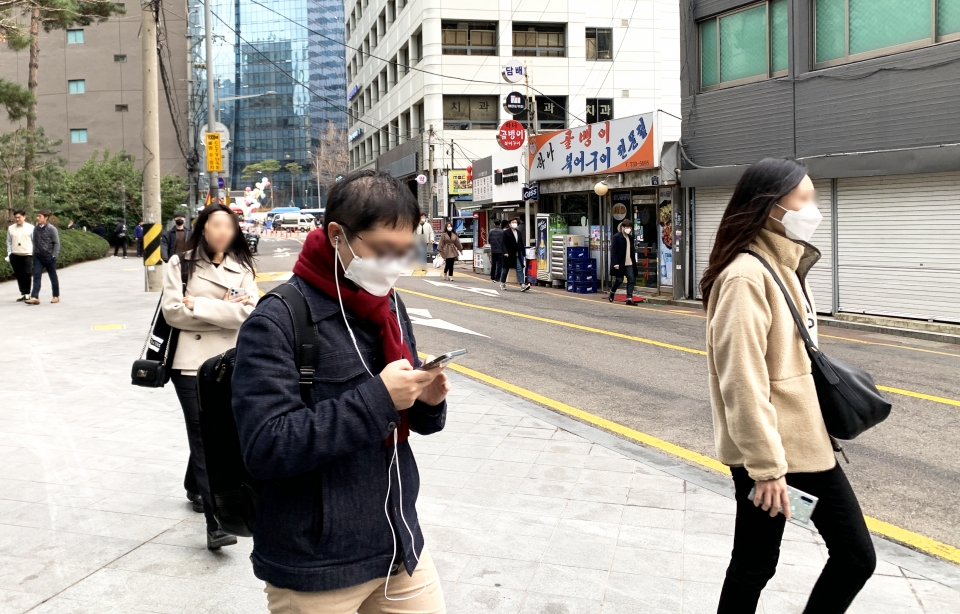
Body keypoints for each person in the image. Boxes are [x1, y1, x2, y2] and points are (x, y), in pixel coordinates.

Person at [232, 170, 449, 614]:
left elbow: (405, 415)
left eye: (405, 250)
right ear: (337, 236)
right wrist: (379, 397)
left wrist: (427, 401)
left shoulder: (388, 304)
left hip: (399, 541)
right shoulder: (278, 320)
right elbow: (267, 445)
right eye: (383, 251)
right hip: (317, 564)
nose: (395, 264)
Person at [701, 158, 875, 614]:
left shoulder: (782, 266)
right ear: (771, 207)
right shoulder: (745, 276)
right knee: (851, 556)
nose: (813, 208)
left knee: (757, 562)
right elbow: (741, 379)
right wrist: (766, 468)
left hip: (797, 444)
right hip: (778, 453)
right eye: (804, 198)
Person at [160, 203, 258, 550]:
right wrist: (226, 309)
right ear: (204, 228)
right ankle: (215, 521)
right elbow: (173, 313)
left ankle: (193, 484)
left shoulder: (242, 266)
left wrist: (197, 305)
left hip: (230, 362)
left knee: (222, 430)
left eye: (229, 226)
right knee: (203, 436)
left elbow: (250, 314)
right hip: (189, 363)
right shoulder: (181, 263)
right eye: (216, 225)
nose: (222, 232)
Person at [25, 211, 60, 305]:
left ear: (46, 217)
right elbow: (34, 241)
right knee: (36, 276)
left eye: (40, 216)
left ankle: (55, 296)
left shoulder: (51, 229)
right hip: (38, 257)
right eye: (37, 216)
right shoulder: (36, 229)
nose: (38, 218)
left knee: (53, 277)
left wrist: (53, 255)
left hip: (49, 257)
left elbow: (56, 243)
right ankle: (35, 297)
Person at [609, 219, 639, 305]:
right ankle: (612, 291)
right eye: (627, 227)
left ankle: (629, 298)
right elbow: (613, 251)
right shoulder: (616, 237)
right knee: (619, 280)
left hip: (629, 263)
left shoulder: (631, 238)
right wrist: (615, 263)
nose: (628, 229)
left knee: (631, 280)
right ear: (622, 227)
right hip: (620, 263)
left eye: (630, 227)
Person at [6, 210, 34, 301]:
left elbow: (34, 241)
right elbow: (9, 242)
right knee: (19, 274)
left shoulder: (31, 228)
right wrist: (9, 253)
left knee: (27, 273)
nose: (17, 219)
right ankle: (23, 292)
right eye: (16, 218)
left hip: (27, 254)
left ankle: (27, 293)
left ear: (24, 217)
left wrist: (34, 252)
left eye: (19, 217)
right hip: (15, 254)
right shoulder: (11, 228)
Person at [500, 218, 531, 292]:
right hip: (508, 254)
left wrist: (523, 252)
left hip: (516, 254)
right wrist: (505, 252)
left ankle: (522, 285)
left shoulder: (519, 232)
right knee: (505, 269)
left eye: (516, 222)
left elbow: (521, 243)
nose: (515, 224)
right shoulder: (505, 232)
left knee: (519, 269)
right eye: (513, 222)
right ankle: (502, 282)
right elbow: (503, 243)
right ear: (510, 224)